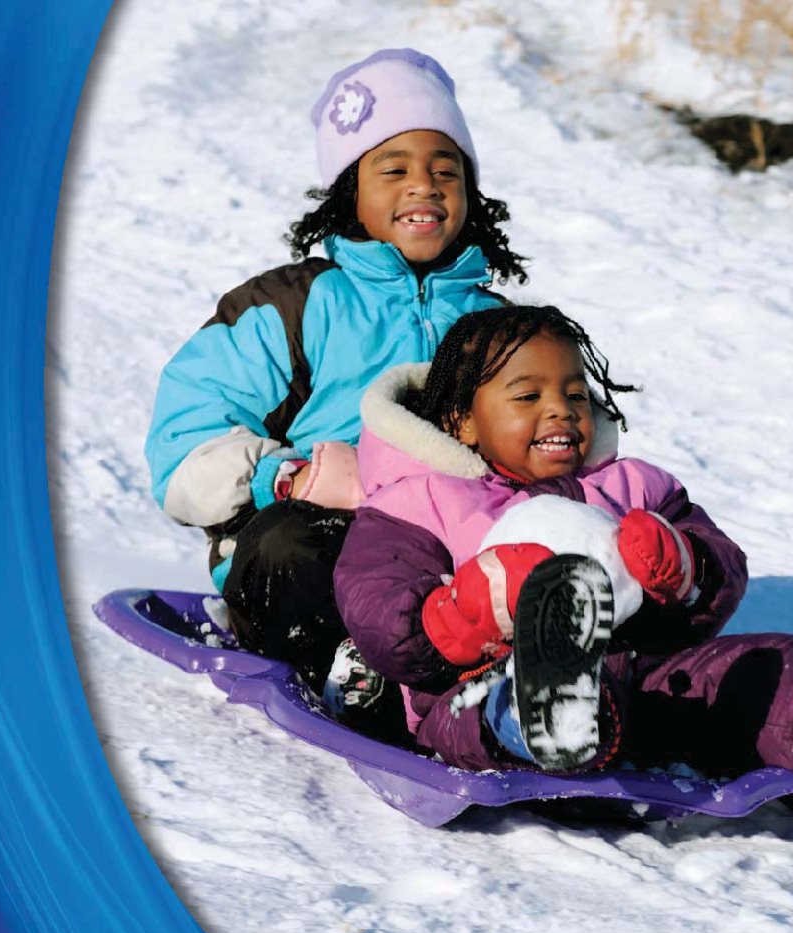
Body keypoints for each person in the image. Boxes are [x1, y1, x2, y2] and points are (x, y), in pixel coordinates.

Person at [333, 304, 793, 794]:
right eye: (527, 395)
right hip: (472, 691)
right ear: (461, 419)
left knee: (758, 672)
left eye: (574, 394)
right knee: (489, 705)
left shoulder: (630, 485)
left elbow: (721, 573)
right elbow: (380, 610)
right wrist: (470, 613)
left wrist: (684, 568)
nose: (561, 411)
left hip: (649, 676)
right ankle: (549, 713)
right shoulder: (423, 500)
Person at [144, 49, 526, 736]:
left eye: (448, 171)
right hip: (320, 539)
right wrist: (288, 478)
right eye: (395, 169)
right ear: (350, 188)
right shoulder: (294, 305)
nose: (426, 187)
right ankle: (364, 678)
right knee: (297, 547)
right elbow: (185, 441)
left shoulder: (496, 327)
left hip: (449, 548)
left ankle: (532, 692)